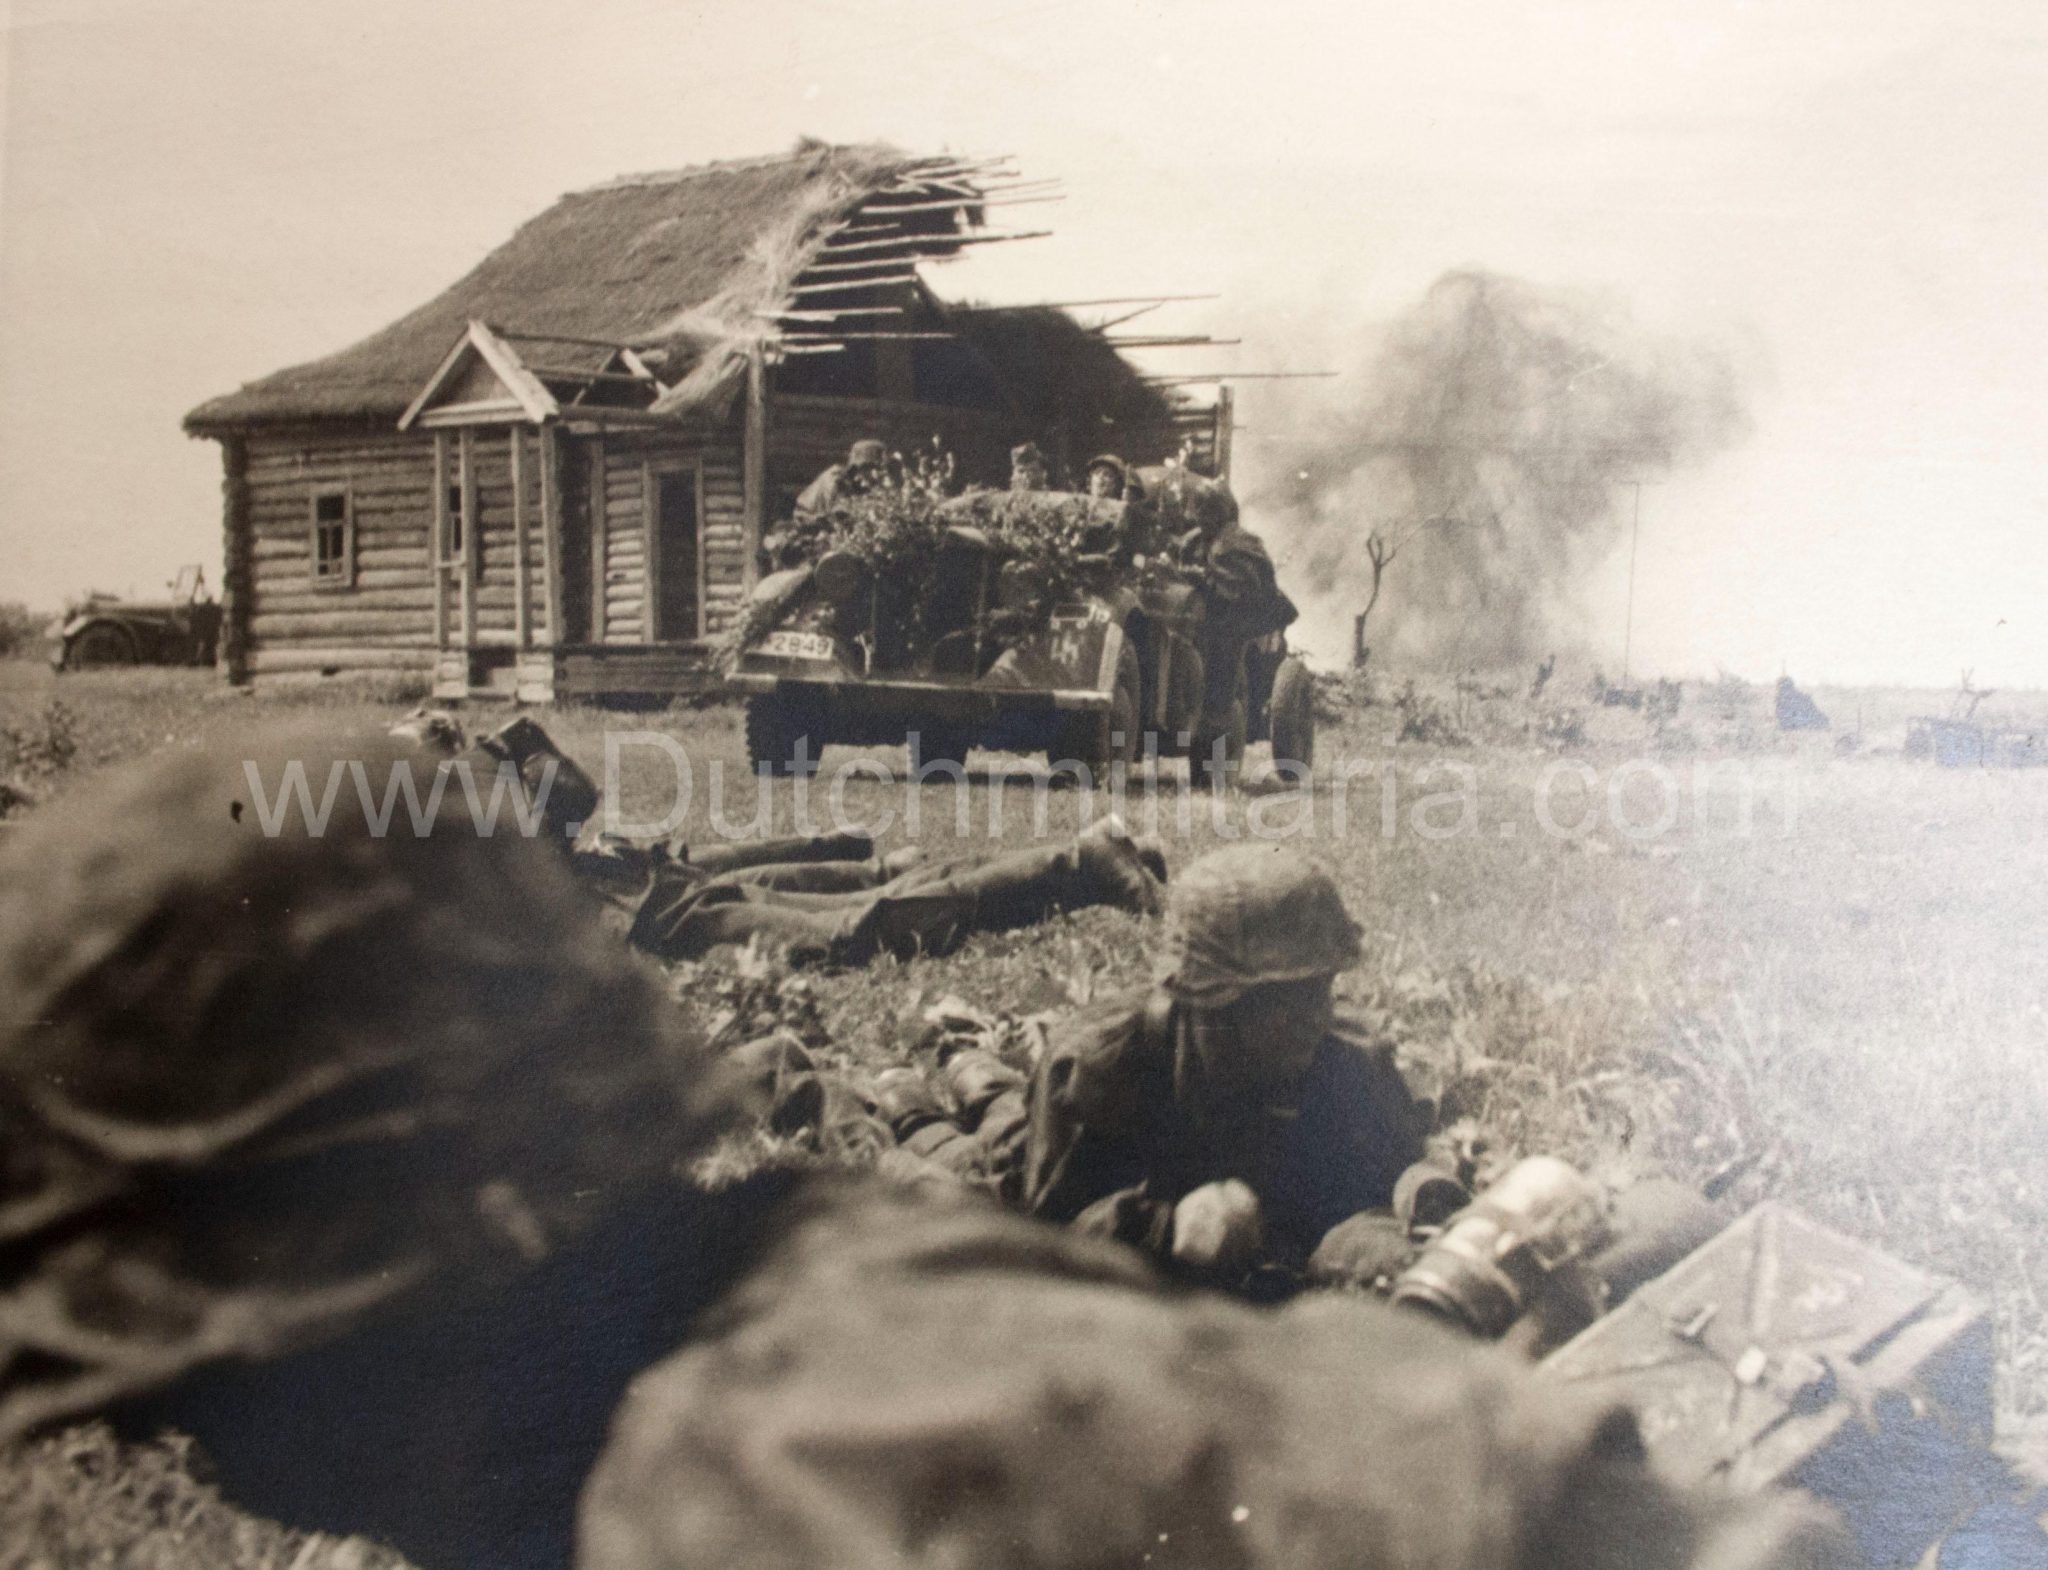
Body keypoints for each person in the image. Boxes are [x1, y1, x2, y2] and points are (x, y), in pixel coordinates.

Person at [0, 731, 1856, 1570]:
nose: (169, 1443)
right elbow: (1036, 1203)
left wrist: (1411, 1218)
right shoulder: (1073, 1092)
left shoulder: (823, 1457)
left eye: (177, 1382)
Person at [1015, 842, 1428, 1273]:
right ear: (1210, 998)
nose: (1318, 1017)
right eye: (1286, 998)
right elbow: (1043, 1246)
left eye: (1321, 988)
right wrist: (1164, 1228)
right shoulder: (1094, 1070)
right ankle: (969, 1077)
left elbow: (1390, 1186)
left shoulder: (1349, 1059)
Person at [614, 813, 1168, 967]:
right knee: (864, 909)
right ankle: (1090, 860)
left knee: (854, 932)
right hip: (654, 899)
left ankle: (1080, 863)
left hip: (658, 915)